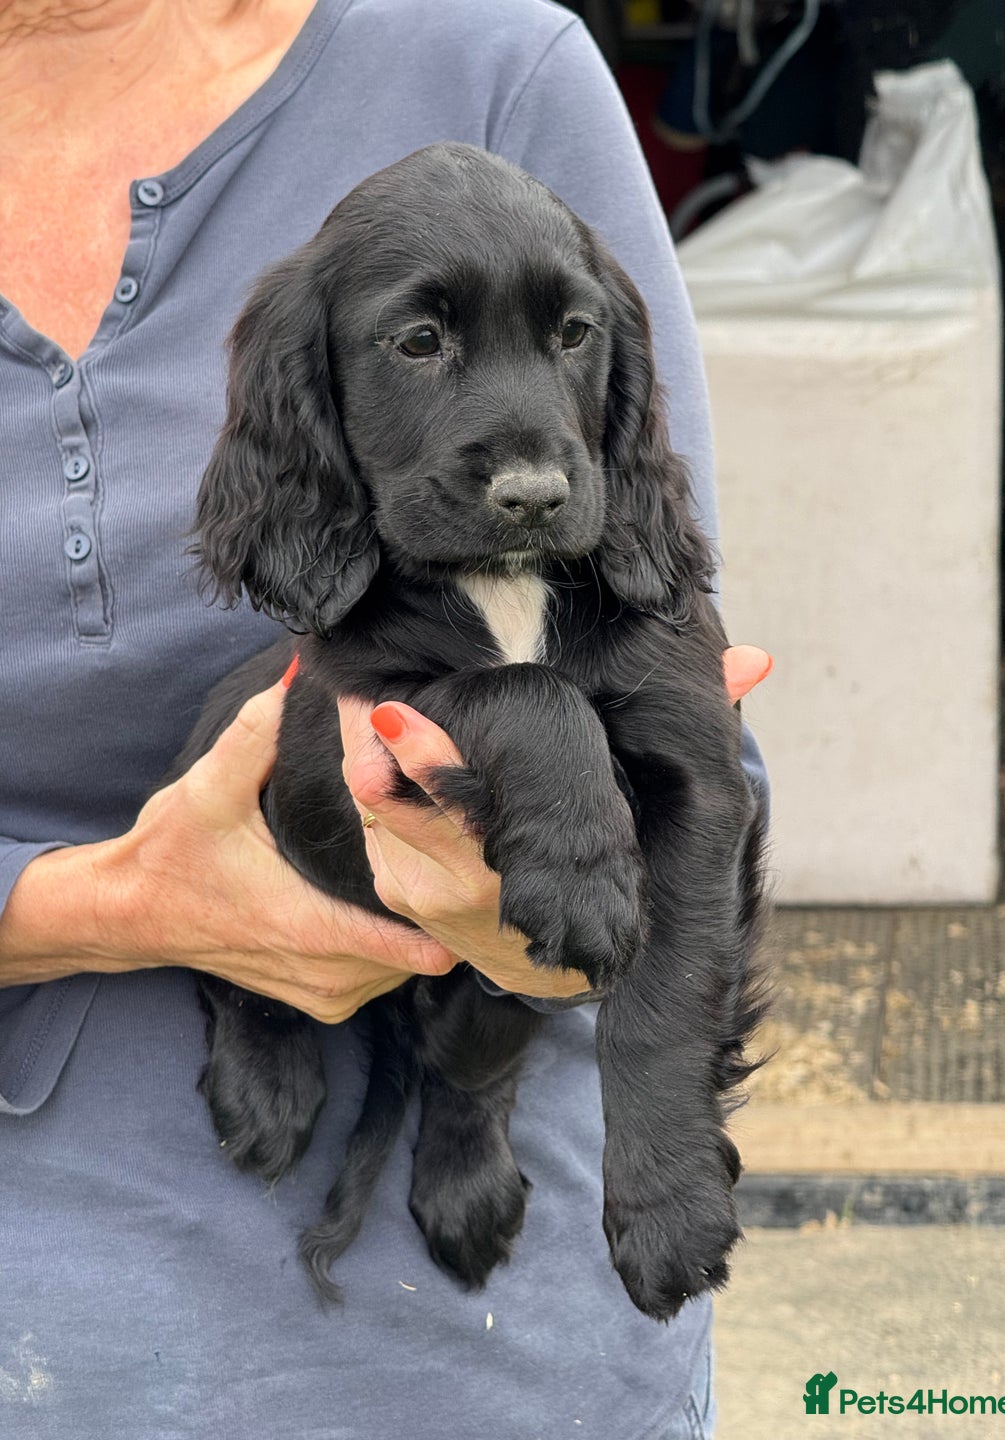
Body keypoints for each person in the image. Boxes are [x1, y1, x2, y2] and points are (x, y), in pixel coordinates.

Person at [0, 1, 769, 1435]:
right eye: (421, 343)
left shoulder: (497, 69)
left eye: (566, 341)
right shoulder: (334, 474)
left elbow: (706, 783)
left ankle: (468, 1103)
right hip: (55, 1298)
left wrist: (641, 1099)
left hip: (494, 1330)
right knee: (261, 712)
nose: (529, 467)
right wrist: (118, 909)